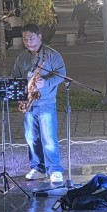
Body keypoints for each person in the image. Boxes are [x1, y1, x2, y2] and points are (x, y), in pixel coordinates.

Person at [11, 23, 66, 184]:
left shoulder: (52, 55)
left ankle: (55, 169)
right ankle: (38, 168)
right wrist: (19, 94)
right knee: (31, 138)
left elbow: (62, 75)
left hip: (46, 102)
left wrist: (45, 83)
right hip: (29, 103)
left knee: (49, 138)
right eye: (25, 39)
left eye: (31, 38)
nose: (28, 42)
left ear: (40, 37)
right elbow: (15, 77)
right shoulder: (21, 58)